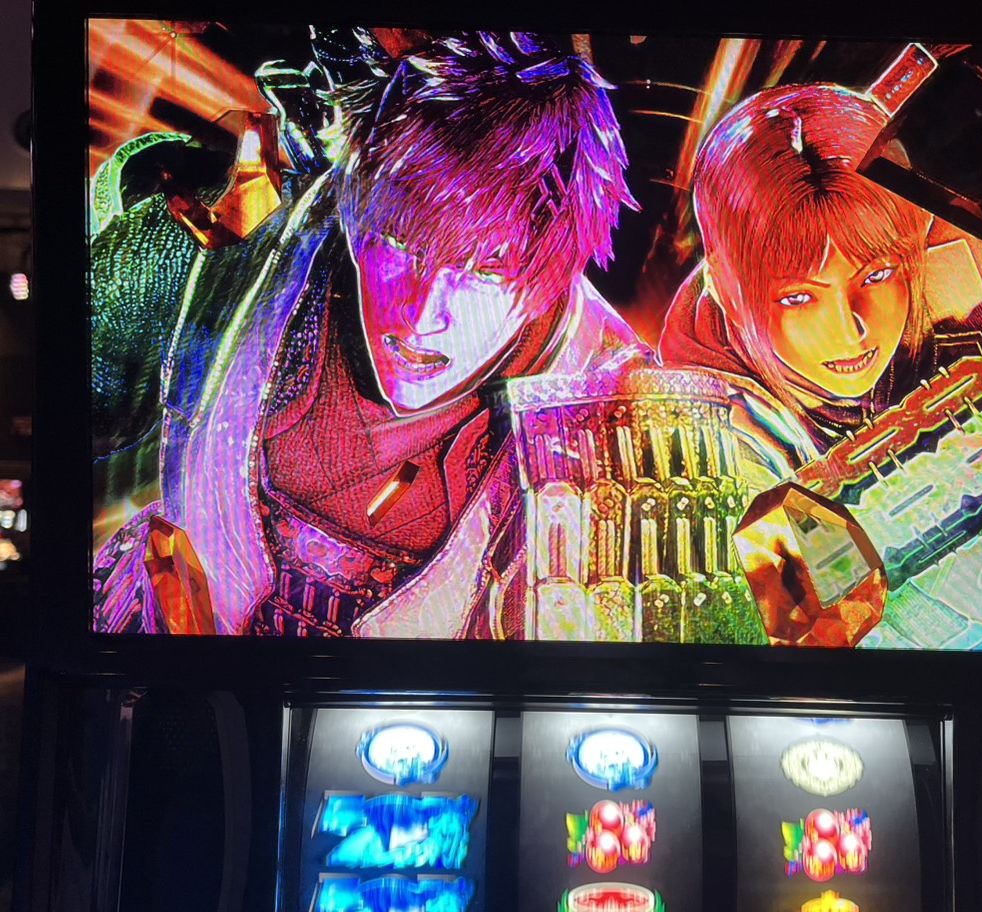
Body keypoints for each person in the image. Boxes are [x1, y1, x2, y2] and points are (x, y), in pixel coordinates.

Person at [91, 30, 648, 638]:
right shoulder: (239, 239)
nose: (422, 313)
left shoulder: (620, 407)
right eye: (400, 244)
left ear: (555, 269)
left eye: (484, 270)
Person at [660, 62, 982, 651]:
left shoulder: (965, 277)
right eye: (799, 298)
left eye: (875, 275)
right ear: (725, 288)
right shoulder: (692, 425)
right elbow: (774, 597)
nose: (850, 329)